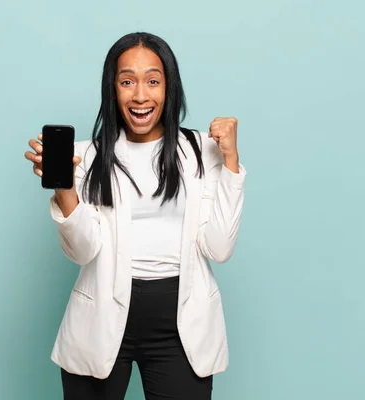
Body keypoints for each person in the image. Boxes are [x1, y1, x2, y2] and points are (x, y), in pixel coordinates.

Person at [24, 32, 247, 400]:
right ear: (112, 90)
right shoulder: (86, 158)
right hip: (101, 321)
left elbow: (219, 247)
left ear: (168, 87)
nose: (140, 95)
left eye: (153, 81)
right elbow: (82, 251)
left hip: (181, 328)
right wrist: (64, 188)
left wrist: (232, 163)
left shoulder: (202, 151)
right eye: (127, 81)